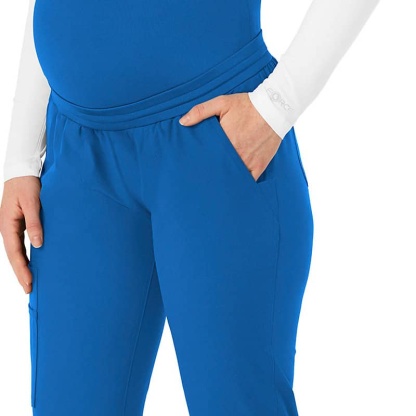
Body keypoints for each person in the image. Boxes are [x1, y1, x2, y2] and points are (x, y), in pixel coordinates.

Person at [0, 0, 380, 414]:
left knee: (236, 404)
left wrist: (277, 105)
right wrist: (21, 156)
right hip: (77, 159)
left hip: (211, 141)